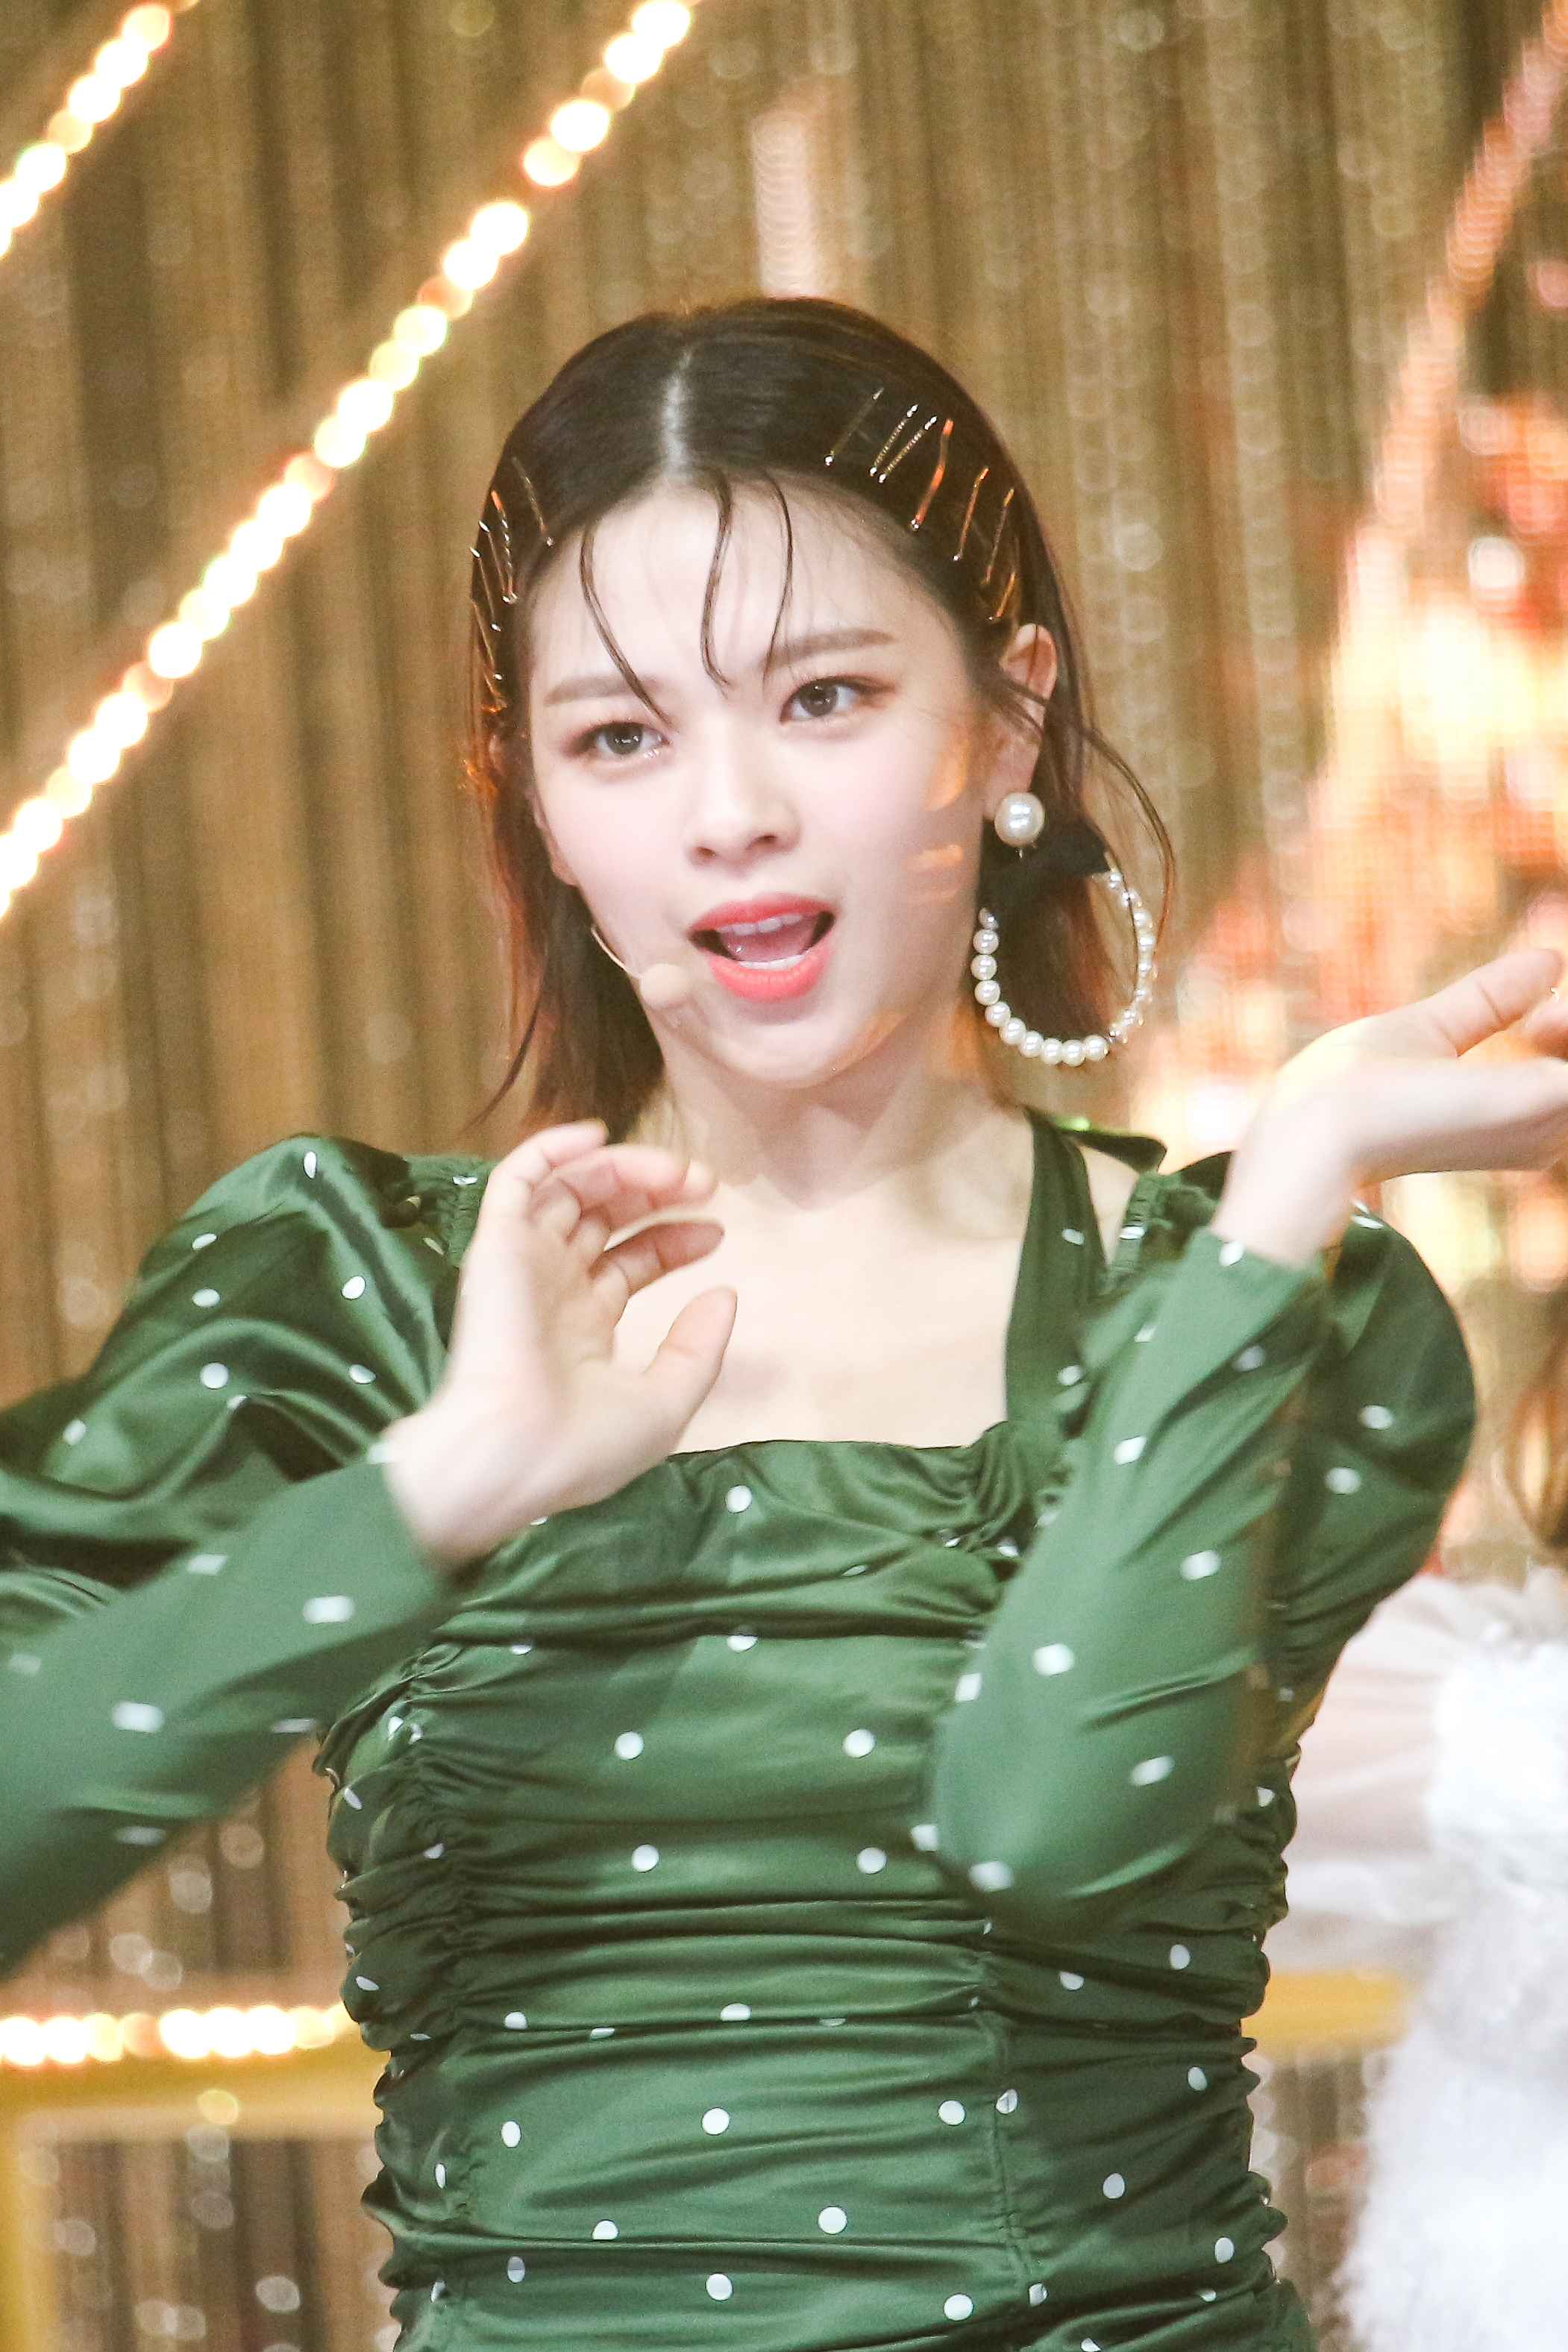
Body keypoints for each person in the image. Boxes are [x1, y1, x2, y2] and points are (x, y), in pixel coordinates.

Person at [2, 298, 1567, 2352]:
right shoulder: (357, 1289)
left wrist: (1288, 1193)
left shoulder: (1260, 1304)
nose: (726, 811)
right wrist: (438, 1485)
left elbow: (1053, 1829)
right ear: (535, 799)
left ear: (1009, 723)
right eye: (621, 737)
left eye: (822, 696)